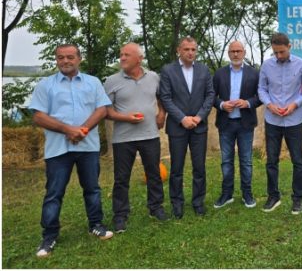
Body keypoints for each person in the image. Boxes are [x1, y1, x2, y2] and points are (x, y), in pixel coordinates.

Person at [28, 44, 114, 258]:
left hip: (88, 147)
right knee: (54, 193)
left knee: (92, 189)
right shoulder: (46, 85)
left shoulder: (92, 82)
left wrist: (82, 130)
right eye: (60, 57)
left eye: (70, 57)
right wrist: (68, 129)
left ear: (79, 58)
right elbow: (38, 116)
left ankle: (96, 224)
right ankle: (49, 236)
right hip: (58, 149)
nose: (65, 61)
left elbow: (102, 109)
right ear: (56, 60)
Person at [104, 43, 168, 233]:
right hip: (123, 138)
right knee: (121, 178)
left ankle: (156, 207)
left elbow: (161, 97)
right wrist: (125, 118)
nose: (122, 58)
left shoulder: (154, 77)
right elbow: (106, 111)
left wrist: (161, 113)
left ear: (139, 59)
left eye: (127, 55)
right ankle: (120, 215)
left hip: (150, 135)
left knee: (154, 174)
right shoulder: (111, 81)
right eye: (121, 55)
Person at [158, 36, 215, 219]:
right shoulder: (168, 71)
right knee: (176, 168)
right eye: (186, 49)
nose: (190, 52)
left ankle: (198, 202)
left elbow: (210, 95)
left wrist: (199, 117)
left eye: (193, 49)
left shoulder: (204, 70)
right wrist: (182, 118)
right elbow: (165, 98)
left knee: (199, 167)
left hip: (199, 127)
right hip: (178, 127)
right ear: (178, 51)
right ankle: (177, 203)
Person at [258, 32, 302, 214]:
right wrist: (269, 104)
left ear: (289, 47)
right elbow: (262, 89)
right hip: (272, 119)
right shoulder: (266, 65)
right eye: (275, 52)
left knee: (298, 161)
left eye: (282, 52)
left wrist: (294, 104)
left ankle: (298, 199)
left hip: (294, 119)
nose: (279, 56)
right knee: (271, 160)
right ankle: (273, 196)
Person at [212, 41, 261, 209]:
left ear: (244, 52)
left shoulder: (254, 74)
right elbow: (211, 96)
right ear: (228, 53)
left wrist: (247, 102)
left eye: (238, 51)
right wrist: (221, 104)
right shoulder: (219, 74)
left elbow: (260, 96)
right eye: (232, 51)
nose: (235, 54)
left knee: (246, 161)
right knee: (226, 161)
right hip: (226, 123)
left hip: (245, 123)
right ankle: (227, 194)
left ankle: (247, 193)